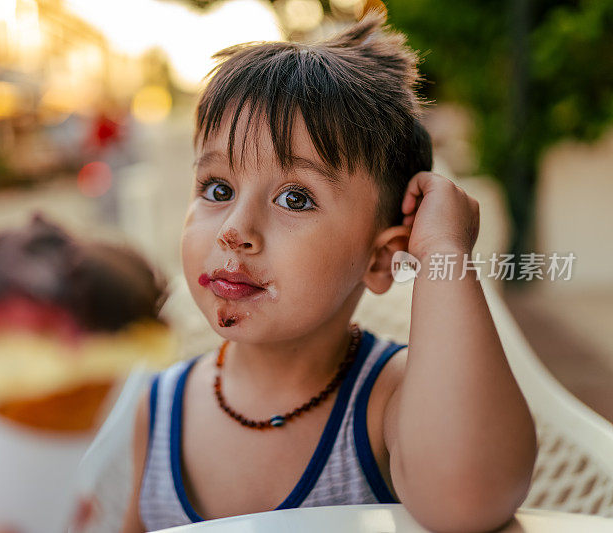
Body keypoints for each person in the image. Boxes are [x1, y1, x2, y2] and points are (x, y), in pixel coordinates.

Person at [121, 11, 536, 533]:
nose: (234, 228)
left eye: (295, 198)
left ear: (382, 258)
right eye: (218, 189)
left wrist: (444, 253)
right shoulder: (158, 412)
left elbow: (471, 500)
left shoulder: (387, 401)